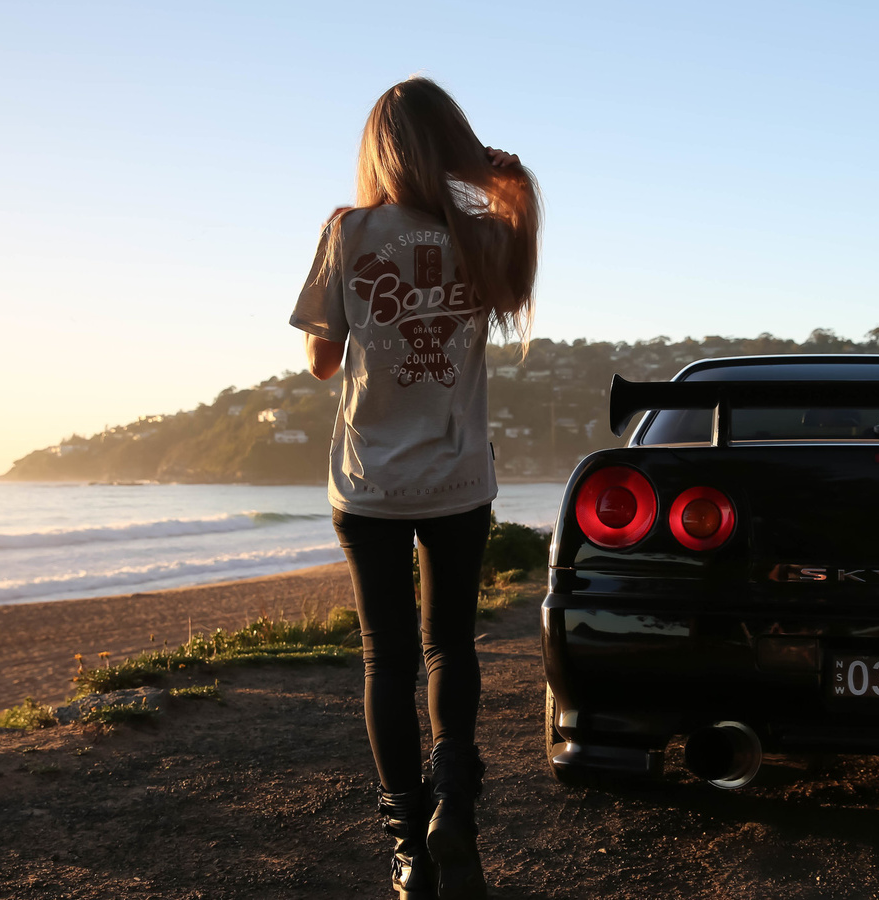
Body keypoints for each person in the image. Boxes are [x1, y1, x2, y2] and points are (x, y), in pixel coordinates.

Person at [288, 76, 539, 900]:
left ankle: (408, 850)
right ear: (453, 144)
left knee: (385, 659)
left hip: (369, 484)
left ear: (380, 151)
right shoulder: (484, 237)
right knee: (450, 645)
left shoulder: (349, 230)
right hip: (459, 478)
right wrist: (510, 191)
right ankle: (455, 806)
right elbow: (511, 297)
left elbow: (323, 360)